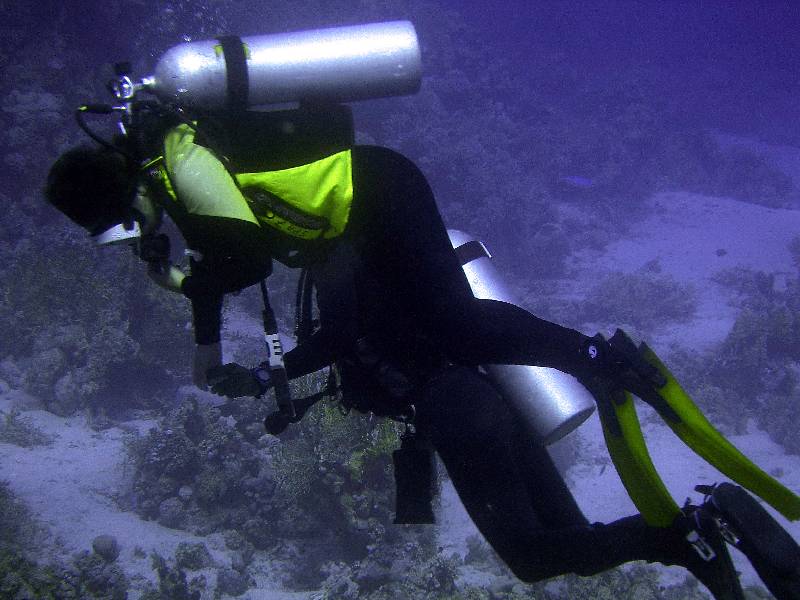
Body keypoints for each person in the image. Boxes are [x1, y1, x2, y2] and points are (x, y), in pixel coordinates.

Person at [45, 105, 799, 600]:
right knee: (555, 536)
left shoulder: (201, 175)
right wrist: (259, 366)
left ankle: (604, 375)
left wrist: (193, 302)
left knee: (532, 546)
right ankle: (687, 530)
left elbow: (245, 268)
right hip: (471, 393)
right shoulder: (333, 245)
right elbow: (310, 318)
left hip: (451, 397)